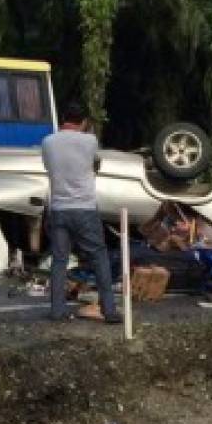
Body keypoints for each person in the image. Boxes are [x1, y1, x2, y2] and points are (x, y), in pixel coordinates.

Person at [40, 102, 120, 323]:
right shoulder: (90, 140)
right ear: (84, 122)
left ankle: (57, 311)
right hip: (85, 208)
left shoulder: (48, 141)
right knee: (99, 257)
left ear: (64, 119)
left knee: (59, 260)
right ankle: (109, 310)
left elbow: (49, 167)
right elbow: (96, 164)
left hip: (58, 209)